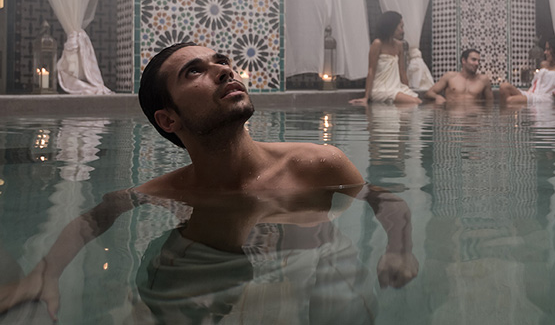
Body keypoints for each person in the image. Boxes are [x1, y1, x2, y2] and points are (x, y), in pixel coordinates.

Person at [0, 43, 418, 321]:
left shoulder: (318, 164)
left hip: (324, 264)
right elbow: (96, 217)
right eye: (194, 71)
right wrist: (46, 271)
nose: (222, 69)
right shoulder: (166, 192)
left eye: (221, 61)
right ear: (169, 120)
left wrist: (399, 251)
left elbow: (385, 202)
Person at [349, 11, 421, 105]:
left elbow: (402, 71)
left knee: (418, 101)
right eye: (400, 27)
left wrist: (407, 90)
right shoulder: (377, 44)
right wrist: (366, 97)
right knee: (414, 102)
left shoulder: (399, 45)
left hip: (396, 87)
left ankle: (397, 117)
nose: (403, 31)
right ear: (391, 27)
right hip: (381, 89)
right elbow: (371, 70)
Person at [498, 35, 555, 105]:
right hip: (533, 93)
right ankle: (507, 122)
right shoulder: (544, 64)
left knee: (510, 101)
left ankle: (508, 123)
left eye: (548, 49)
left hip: (547, 98)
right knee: (504, 86)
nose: (545, 52)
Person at [424, 49, 494, 105]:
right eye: (473, 60)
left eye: (478, 61)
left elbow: (490, 103)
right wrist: (437, 97)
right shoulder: (450, 77)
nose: (477, 63)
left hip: (474, 119)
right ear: (464, 60)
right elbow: (429, 93)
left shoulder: (483, 80)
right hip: (454, 119)